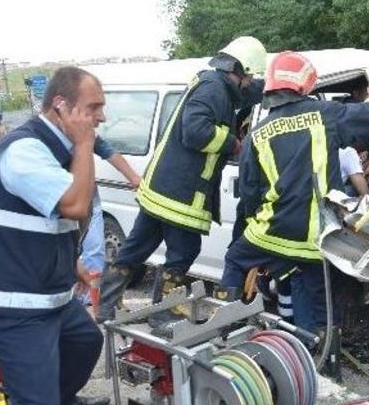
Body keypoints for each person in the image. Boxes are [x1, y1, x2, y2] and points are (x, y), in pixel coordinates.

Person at [97, 36, 267, 325]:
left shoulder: (216, 85)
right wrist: (233, 144)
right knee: (184, 251)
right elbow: (195, 131)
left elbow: (247, 95)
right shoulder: (215, 90)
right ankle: (164, 313)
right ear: (238, 69)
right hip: (179, 194)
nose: (251, 81)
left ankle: (105, 307)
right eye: (250, 75)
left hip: (161, 190)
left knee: (135, 249)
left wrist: (276, 85)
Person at [219, 51, 369, 336]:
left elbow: (249, 195)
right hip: (318, 239)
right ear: (305, 85)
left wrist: (252, 228)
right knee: (317, 300)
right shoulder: (325, 116)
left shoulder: (255, 135)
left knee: (236, 258)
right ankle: (318, 355)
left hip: (272, 234)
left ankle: (227, 324)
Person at [0, 67, 109, 405]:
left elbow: (50, 223)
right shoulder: (24, 150)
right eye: (93, 107)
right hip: (17, 307)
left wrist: (71, 262)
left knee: (86, 341)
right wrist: (86, 144)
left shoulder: (61, 148)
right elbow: (74, 205)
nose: (100, 117)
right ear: (61, 105)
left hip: (51, 296)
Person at [77, 136, 141, 310]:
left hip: (90, 203)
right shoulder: (50, 138)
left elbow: (110, 153)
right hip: (62, 206)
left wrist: (134, 178)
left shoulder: (87, 131)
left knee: (95, 252)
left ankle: (93, 303)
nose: (101, 117)